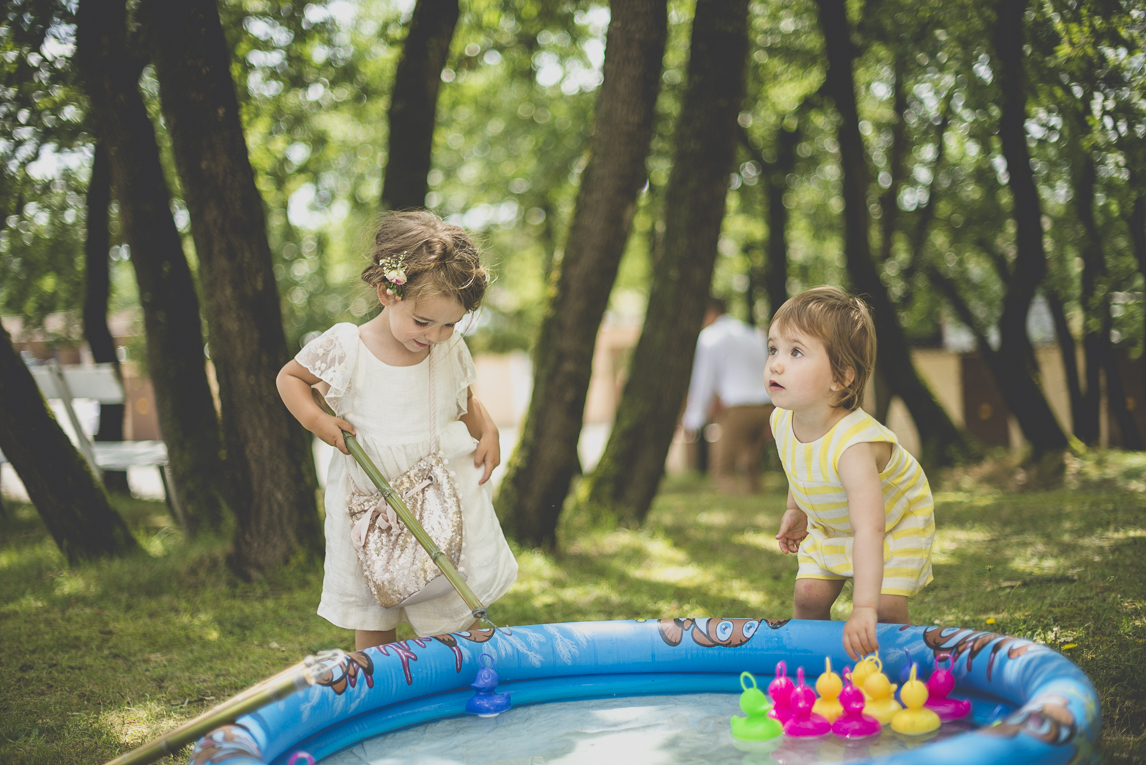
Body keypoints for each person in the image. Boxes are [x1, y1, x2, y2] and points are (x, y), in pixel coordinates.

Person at [277, 210, 517, 651]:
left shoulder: (447, 349)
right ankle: (377, 690)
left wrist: (488, 431)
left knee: (452, 595)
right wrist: (318, 420)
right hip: (374, 503)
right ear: (387, 292)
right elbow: (289, 379)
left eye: (450, 324)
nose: (436, 335)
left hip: (440, 493)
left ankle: (458, 675)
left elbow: (462, 400)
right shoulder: (348, 346)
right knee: (374, 607)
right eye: (424, 322)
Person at [767, 286, 934, 661]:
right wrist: (796, 509)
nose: (776, 363)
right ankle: (816, 669)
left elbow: (870, 529)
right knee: (808, 597)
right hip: (834, 521)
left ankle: (897, 671)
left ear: (840, 377)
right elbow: (801, 466)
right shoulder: (781, 420)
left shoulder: (853, 446)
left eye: (796, 352)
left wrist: (863, 608)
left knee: (886, 608)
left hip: (893, 523)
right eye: (773, 349)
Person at [682, 297, 773, 494]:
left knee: (722, 469)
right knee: (750, 465)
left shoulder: (710, 336)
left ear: (709, 314)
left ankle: (737, 511)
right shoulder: (752, 333)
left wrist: (693, 420)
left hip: (738, 408)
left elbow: (703, 381)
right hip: (765, 406)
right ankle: (754, 503)